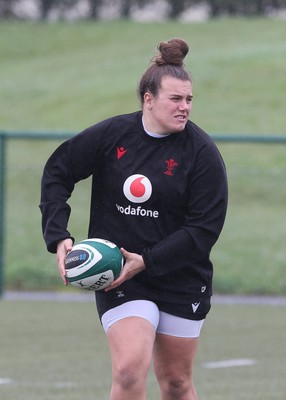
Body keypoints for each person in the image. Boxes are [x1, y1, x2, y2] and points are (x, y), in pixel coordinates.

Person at [40, 38, 228, 400]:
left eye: (189, 99)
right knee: (128, 371)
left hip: (180, 275)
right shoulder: (113, 135)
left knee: (175, 382)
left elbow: (204, 229)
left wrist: (149, 260)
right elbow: (57, 171)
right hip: (120, 276)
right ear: (148, 99)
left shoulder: (202, 153)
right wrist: (58, 234)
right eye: (175, 99)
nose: (184, 107)